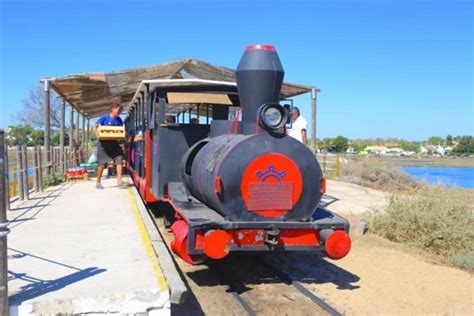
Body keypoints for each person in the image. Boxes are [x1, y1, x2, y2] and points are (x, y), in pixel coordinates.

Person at [92, 97, 126, 189]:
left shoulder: (119, 120)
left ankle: (119, 182)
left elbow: (121, 131)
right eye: (118, 110)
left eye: (120, 111)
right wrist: (97, 135)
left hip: (113, 143)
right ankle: (98, 183)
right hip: (103, 144)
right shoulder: (104, 118)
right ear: (112, 109)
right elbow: (94, 127)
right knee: (102, 164)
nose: (119, 112)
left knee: (119, 158)